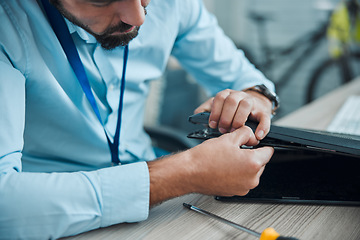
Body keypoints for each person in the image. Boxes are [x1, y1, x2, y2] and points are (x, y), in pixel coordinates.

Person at [0, 0, 277, 238]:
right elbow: (5, 206)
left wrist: (255, 97)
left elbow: (249, 81)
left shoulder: (171, 4)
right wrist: (184, 172)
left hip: (161, 210)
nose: (138, 18)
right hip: (50, 217)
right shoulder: (7, 24)